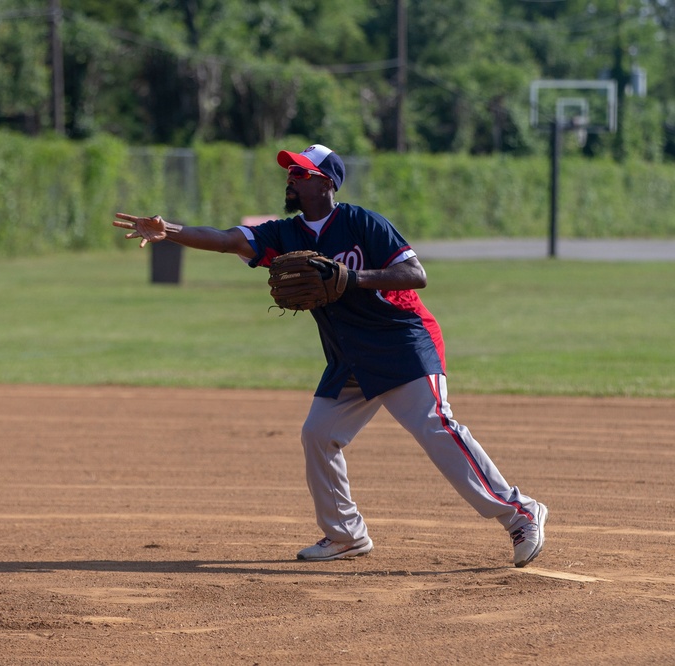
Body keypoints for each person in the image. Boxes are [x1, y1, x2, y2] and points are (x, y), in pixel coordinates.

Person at [113, 144, 547, 567]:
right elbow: (228, 240)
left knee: (436, 427)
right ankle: (345, 535)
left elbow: (415, 274)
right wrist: (169, 230)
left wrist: (350, 277)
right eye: (290, 172)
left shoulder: (362, 222)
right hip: (348, 355)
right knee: (319, 434)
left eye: (300, 173)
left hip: (401, 343)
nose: (291, 178)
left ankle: (520, 514)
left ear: (326, 183)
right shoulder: (283, 233)